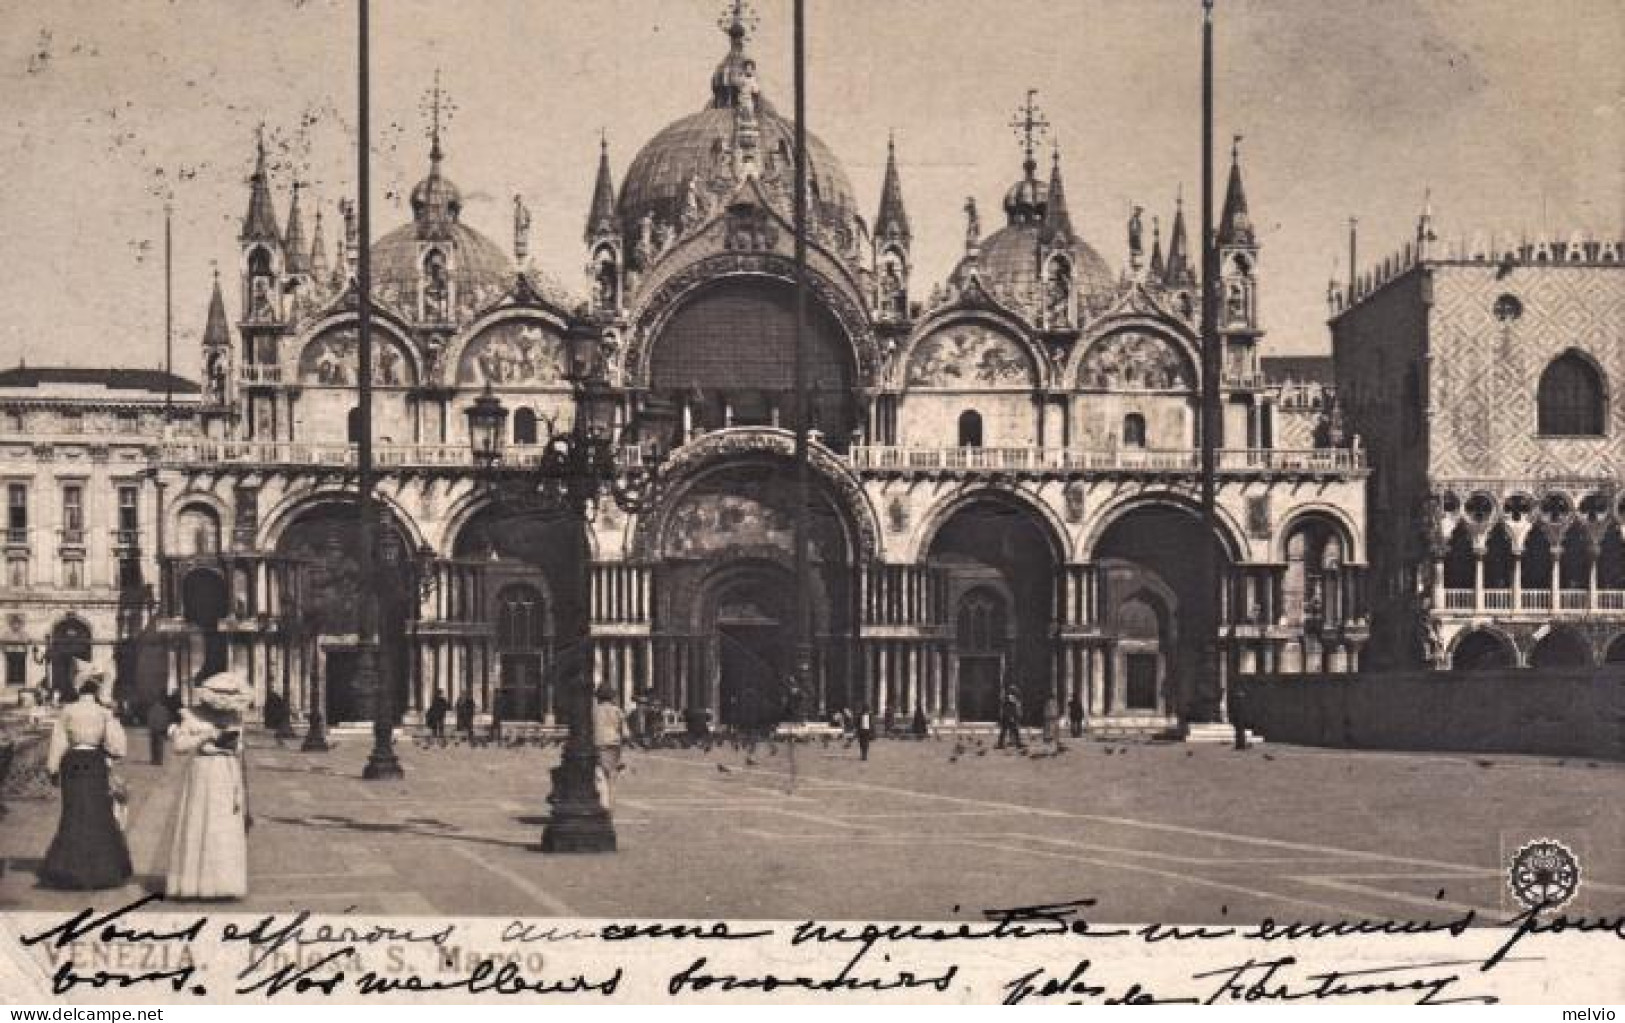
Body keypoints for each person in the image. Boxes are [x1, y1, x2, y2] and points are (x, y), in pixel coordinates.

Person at [39, 671, 133, 890]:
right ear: (97, 689)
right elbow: (117, 747)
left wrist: (52, 769)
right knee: (98, 811)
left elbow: (58, 742)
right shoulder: (103, 712)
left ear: (78, 688)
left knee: (73, 812)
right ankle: (101, 868)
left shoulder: (68, 711)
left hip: (72, 763)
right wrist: (110, 752)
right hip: (94, 762)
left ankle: (69, 867)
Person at [166, 672, 252, 900]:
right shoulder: (191, 715)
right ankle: (195, 883)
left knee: (223, 825)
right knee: (200, 820)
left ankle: (224, 883)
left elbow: (240, 748)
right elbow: (179, 745)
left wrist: (232, 746)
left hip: (227, 772)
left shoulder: (235, 717)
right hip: (203, 772)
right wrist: (206, 737)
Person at [591, 686, 628, 809]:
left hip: (598, 745)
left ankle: (603, 805)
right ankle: (609, 805)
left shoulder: (594, 711)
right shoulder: (617, 711)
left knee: (599, 775)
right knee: (611, 776)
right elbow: (626, 733)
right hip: (614, 746)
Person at [144, 694, 172, 765]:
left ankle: (154, 759)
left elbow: (150, 720)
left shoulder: (152, 709)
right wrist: (166, 728)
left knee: (153, 745)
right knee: (160, 745)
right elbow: (167, 720)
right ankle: (159, 760)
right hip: (161, 729)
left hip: (154, 729)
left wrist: (150, 728)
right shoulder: (164, 709)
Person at [996, 685, 1024, 750]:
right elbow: (1009, 708)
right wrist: (1011, 716)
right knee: (1011, 731)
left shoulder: (1011, 698)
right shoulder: (1010, 698)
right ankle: (1017, 744)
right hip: (1008, 717)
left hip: (1008, 716)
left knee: (1007, 731)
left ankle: (1001, 744)